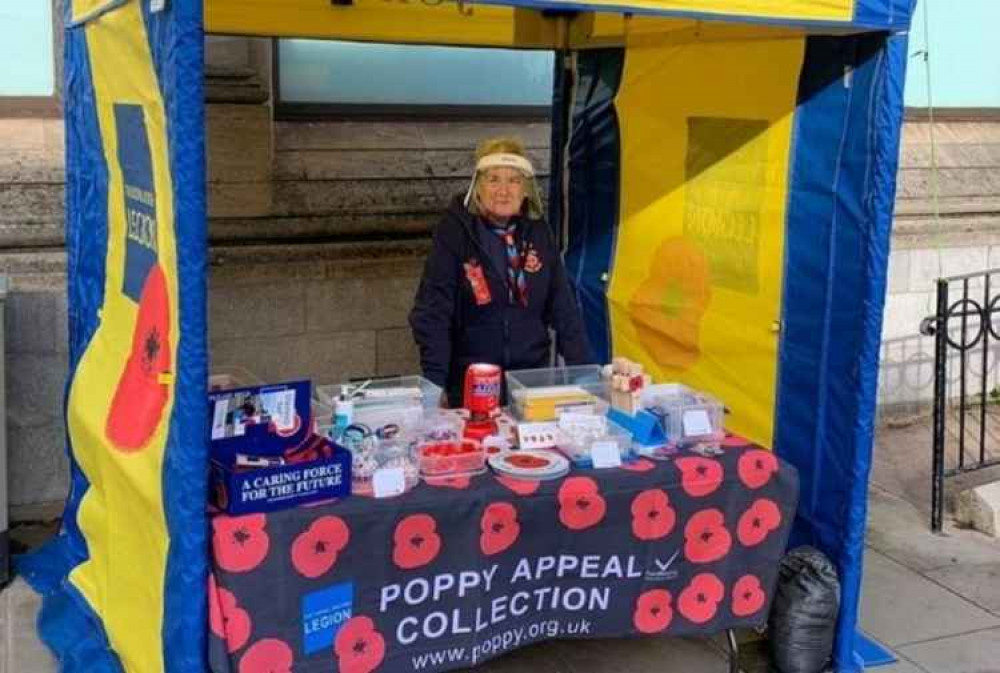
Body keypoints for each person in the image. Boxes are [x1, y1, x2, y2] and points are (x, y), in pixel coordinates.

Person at [409, 137, 592, 407]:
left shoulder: (539, 233)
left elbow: (563, 307)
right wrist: (435, 385)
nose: (503, 191)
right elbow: (433, 312)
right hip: (471, 382)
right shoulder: (455, 233)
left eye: (514, 180)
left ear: (526, 190)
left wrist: (585, 376)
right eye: (493, 179)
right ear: (477, 187)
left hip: (530, 381)